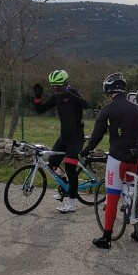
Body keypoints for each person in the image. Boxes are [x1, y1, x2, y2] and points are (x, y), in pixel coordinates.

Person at [81, 73, 138, 249]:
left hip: (117, 158)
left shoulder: (108, 109)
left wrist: (86, 150)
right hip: (137, 158)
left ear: (109, 92)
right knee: (134, 194)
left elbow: (97, 135)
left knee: (112, 197)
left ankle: (107, 237)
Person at [32, 69, 90, 213]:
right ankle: (65, 188)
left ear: (65, 83)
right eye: (54, 86)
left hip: (76, 137)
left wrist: (71, 94)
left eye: (58, 86)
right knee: (53, 164)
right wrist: (37, 98)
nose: (56, 89)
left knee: (70, 168)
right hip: (64, 136)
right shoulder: (57, 96)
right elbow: (40, 110)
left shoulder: (73, 93)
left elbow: (87, 104)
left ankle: (72, 204)